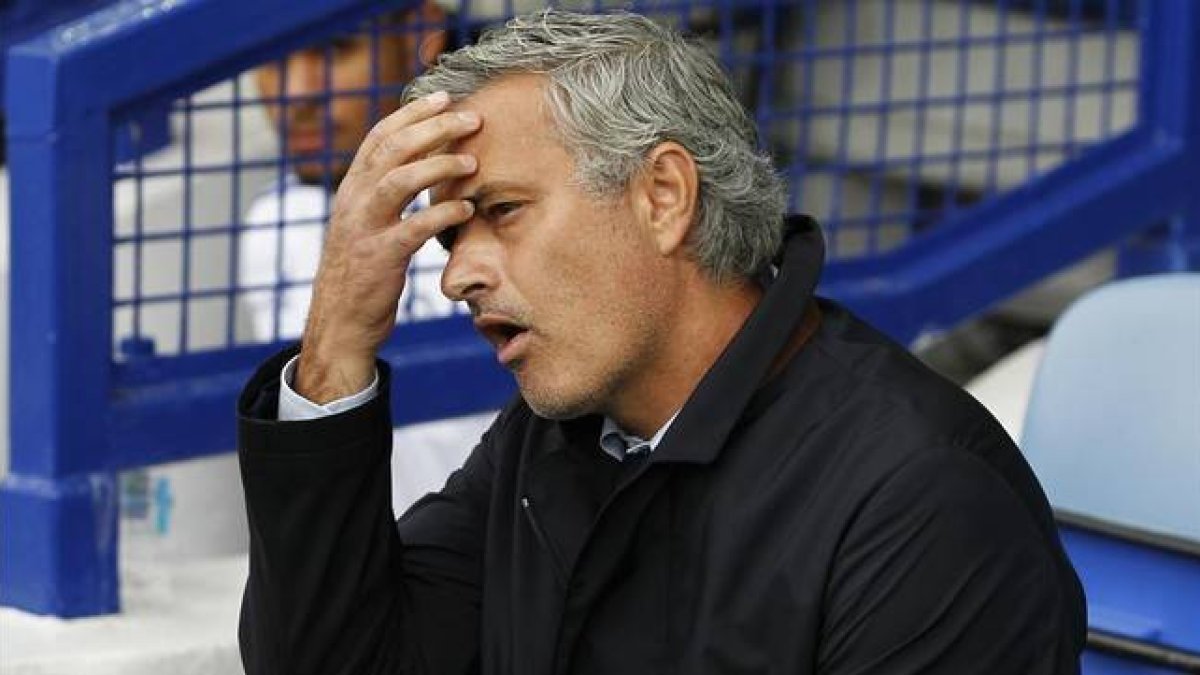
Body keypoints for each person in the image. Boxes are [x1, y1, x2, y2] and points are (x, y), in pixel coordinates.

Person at [237, 10, 1086, 674]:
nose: (459, 276)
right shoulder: (555, 431)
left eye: (501, 213)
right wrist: (336, 346)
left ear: (664, 196)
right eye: (450, 239)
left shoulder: (923, 498)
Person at [238, 2, 496, 515]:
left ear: (422, 30)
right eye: (271, 57)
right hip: (378, 576)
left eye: (336, 49)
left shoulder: (506, 199)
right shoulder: (272, 224)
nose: (297, 93)